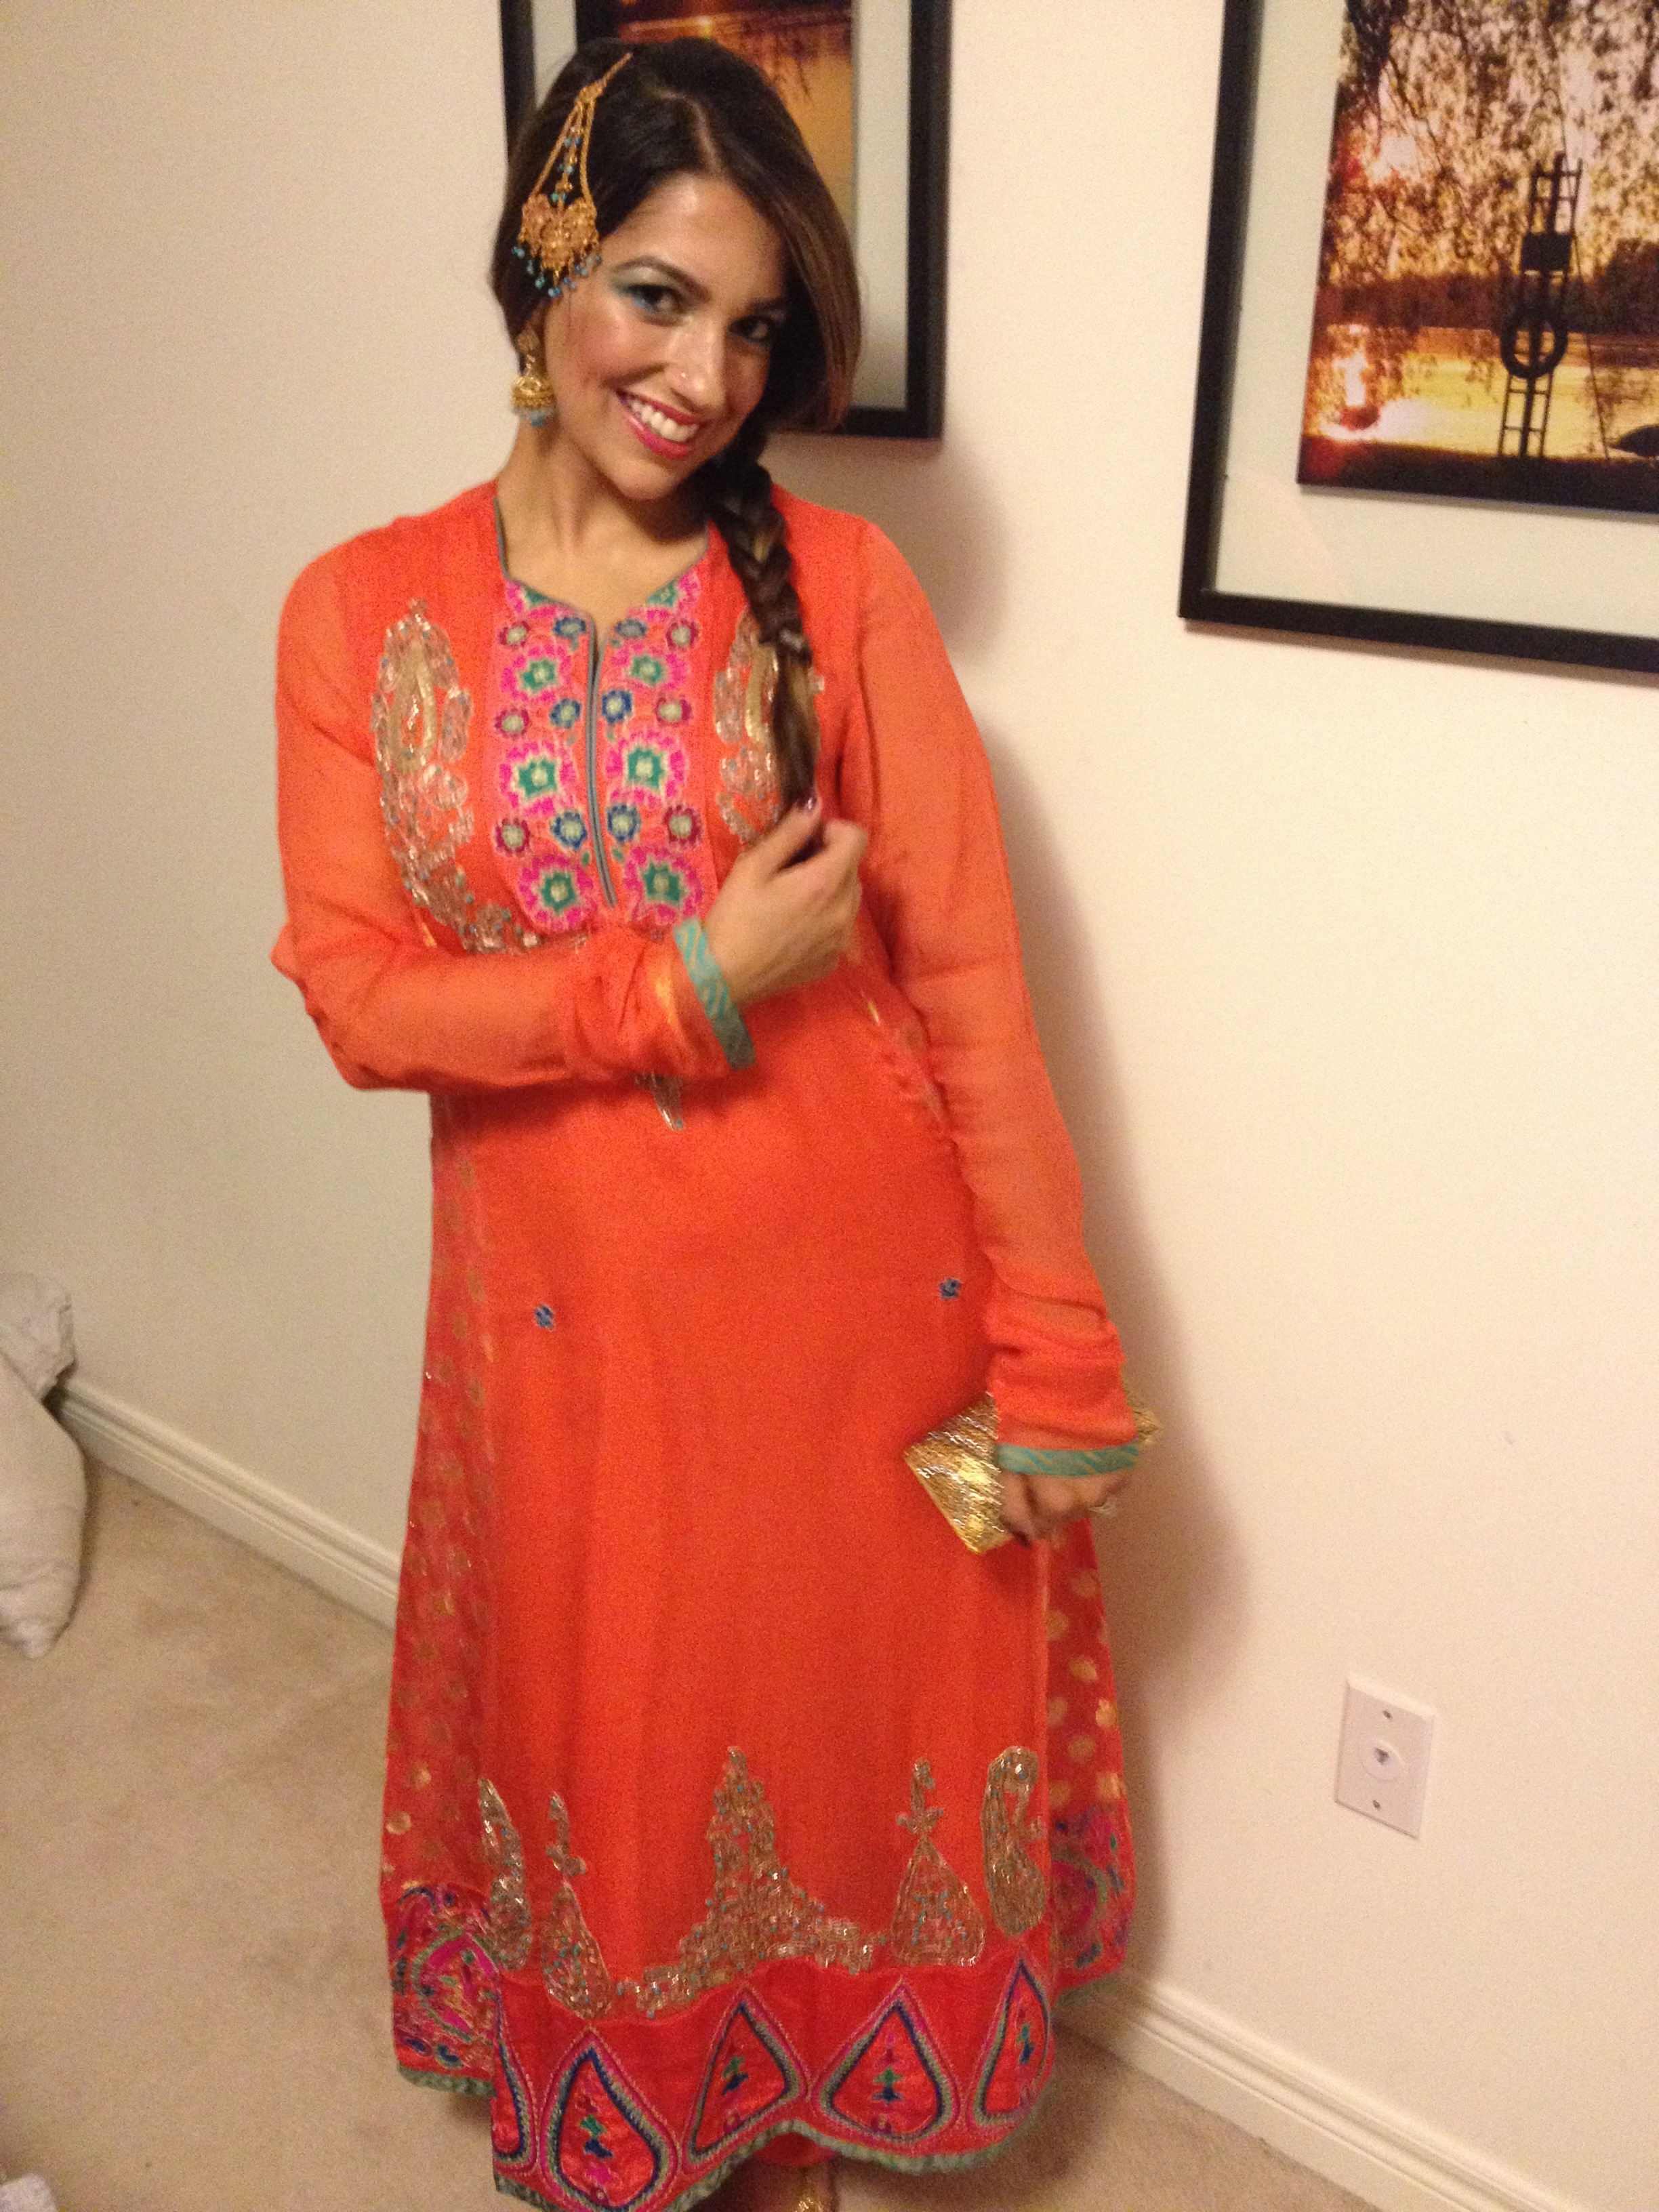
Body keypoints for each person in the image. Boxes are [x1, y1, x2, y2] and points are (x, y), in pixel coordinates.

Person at [274, 37, 1149, 2212]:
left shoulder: (842, 591)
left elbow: (974, 995)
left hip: (861, 1316)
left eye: (753, 330)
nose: (702, 379)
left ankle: (797, 2140)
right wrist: (679, 983)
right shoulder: (357, 611)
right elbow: (363, 1003)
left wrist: (1056, 1358)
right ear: (544, 264)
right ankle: (664, 2112)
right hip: (571, 1341)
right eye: (659, 297)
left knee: (839, 1754)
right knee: (632, 1763)